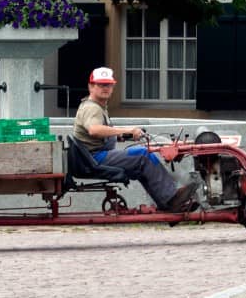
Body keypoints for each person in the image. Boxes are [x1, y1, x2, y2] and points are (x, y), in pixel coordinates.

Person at [72, 66, 198, 212]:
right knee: (143, 156)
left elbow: (102, 133)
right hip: (94, 158)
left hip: (91, 156)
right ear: (91, 87)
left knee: (141, 162)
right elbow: (94, 130)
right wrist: (128, 130)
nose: (105, 88)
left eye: (108, 85)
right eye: (101, 85)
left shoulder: (97, 106)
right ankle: (171, 199)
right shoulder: (92, 108)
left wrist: (127, 135)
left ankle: (168, 202)